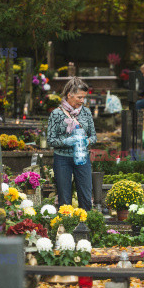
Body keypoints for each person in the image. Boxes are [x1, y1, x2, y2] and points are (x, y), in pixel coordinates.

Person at [47, 77, 97, 210]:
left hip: (82, 158)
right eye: (79, 97)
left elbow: (94, 136)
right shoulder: (56, 114)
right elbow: (50, 140)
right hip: (62, 159)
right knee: (64, 197)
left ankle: (86, 225)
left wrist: (87, 141)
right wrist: (65, 141)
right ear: (69, 95)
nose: (82, 101)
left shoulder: (86, 112)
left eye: (84, 97)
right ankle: (65, 226)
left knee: (86, 195)